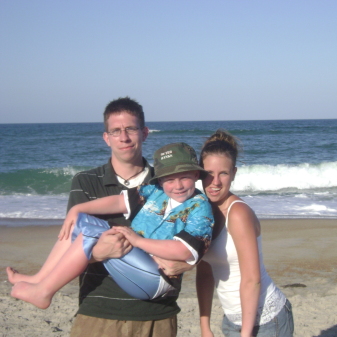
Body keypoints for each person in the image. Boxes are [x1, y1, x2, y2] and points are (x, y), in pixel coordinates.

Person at [9, 97, 192, 337]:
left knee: (87, 227)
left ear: (145, 133)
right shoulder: (85, 183)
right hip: (98, 310)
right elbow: (70, 241)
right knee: (82, 229)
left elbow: (199, 234)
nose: (124, 137)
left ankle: (42, 285)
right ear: (106, 138)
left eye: (131, 129)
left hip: (157, 312)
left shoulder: (170, 182)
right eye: (116, 131)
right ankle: (40, 281)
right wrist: (98, 253)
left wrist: (191, 261)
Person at [8, 142, 213, 310]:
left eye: (184, 177)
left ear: (196, 175)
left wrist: (137, 240)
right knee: (80, 222)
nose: (177, 185)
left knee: (90, 234)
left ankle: (44, 292)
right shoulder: (155, 191)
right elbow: (118, 202)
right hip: (136, 263)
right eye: (169, 179)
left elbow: (183, 250)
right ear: (160, 180)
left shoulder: (200, 207)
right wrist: (77, 209)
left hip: (155, 278)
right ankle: (39, 279)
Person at [196, 129, 294, 337]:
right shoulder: (203, 212)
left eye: (223, 173)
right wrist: (205, 326)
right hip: (231, 321)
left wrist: (246, 334)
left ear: (234, 173)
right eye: (209, 173)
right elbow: (204, 273)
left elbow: (252, 279)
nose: (215, 182)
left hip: (266, 321)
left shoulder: (238, 213)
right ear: (199, 173)